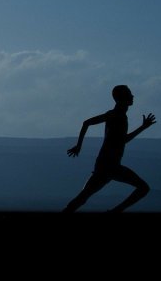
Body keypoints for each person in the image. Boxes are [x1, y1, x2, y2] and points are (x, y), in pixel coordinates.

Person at [62, 85, 155, 213]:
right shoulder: (117, 116)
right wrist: (143, 127)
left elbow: (87, 123)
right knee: (143, 188)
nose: (132, 96)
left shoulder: (114, 115)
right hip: (110, 165)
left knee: (83, 197)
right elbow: (122, 140)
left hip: (104, 164)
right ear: (122, 98)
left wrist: (79, 146)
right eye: (129, 94)